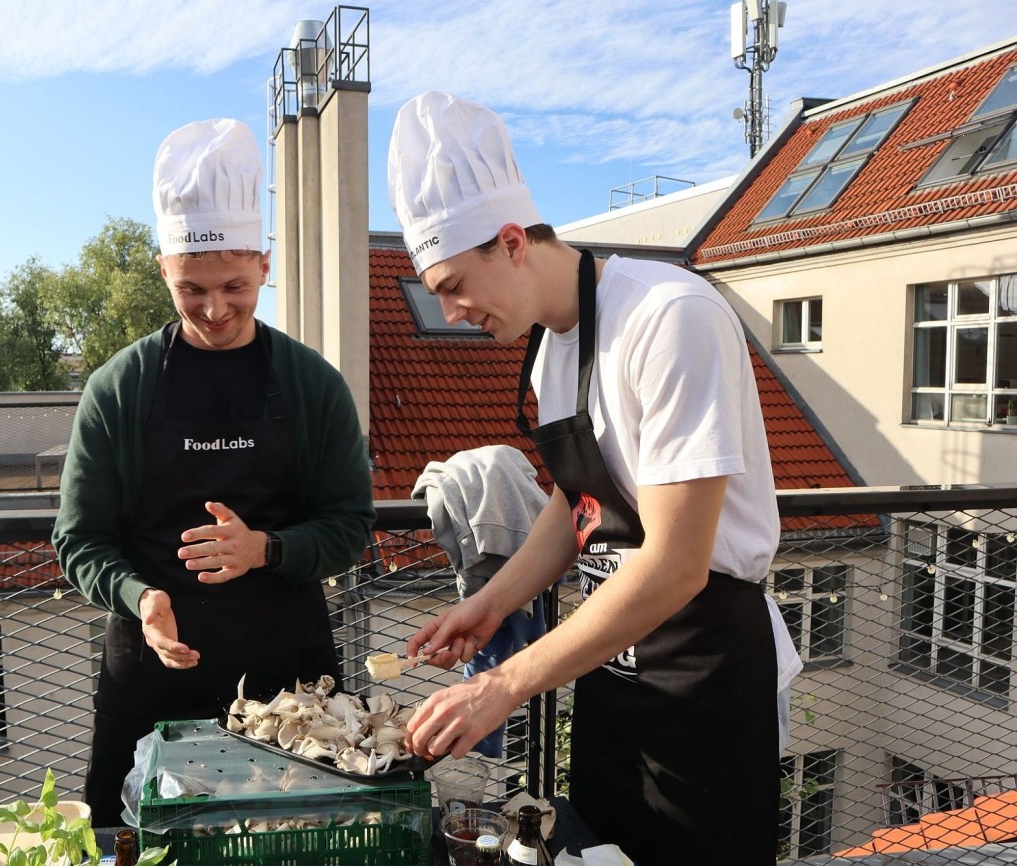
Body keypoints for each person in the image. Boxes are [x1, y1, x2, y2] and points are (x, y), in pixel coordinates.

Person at [387, 92, 787, 865]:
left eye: (452, 284)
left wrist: (503, 685)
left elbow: (676, 565)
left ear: (511, 241)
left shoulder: (670, 317)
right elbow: (579, 501)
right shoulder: (552, 349)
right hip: (609, 677)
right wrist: (490, 604)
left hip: (703, 682)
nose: (451, 311)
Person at [52, 117, 375, 827]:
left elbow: (351, 525)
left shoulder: (313, 385)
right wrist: (139, 597)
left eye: (235, 284)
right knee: (132, 841)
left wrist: (268, 548)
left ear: (264, 264)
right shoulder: (119, 387)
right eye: (192, 288)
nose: (216, 308)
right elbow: (78, 541)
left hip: (292, 697)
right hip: (150, 680)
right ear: (163, 270)